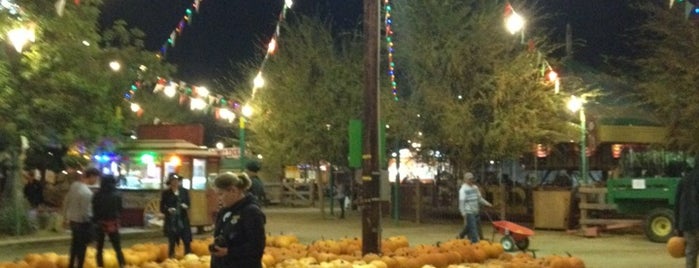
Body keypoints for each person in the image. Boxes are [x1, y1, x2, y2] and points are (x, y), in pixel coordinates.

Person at [210, 172, 266, 268]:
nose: (219, 198)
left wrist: (229, 252)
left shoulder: (251, 212)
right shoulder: (223, 212)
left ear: (233, 190)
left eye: (221, 194)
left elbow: (256, 246)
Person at [64, 167, 100, 268]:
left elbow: (67, 201)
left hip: (73, 220)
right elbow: (86, 213)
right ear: (92, 176)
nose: (96, 181)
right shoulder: (87, 193)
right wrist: (92, 223)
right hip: (82, 223)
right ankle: (79, 265)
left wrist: (65, 217)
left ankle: (71, 264)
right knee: (82, 248)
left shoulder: (74, 186)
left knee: (74, 245)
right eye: (96, 178)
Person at [92, 175, 126, 268]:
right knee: (117, 248)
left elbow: (94, 210)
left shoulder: (97, 195)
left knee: (99, 249)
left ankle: (100, 265)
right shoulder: (117, 195)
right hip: (113, 223)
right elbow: (120, 209)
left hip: (100, 223)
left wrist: (95, 221)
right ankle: (122, 265)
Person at [160, 173, 192, 259]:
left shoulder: (184, 191)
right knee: (172, 241)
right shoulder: (166, 193)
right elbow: (162, 208)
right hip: (171, 221)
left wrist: (186, 206)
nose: (175, 182)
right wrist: (168, 210)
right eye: (173, 181)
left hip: (183, 220)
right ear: (170, 182)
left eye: (177, 180)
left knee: (187, 240)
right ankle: (171, 259)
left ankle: (188, 258)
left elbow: (188, 204)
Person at [674, 159, 699, 268]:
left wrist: (677, 225)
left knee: (691, 252)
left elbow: (677, 203)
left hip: (687, 223)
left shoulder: (684, 180)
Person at [458, 172, 492, 243]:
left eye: (472, 179)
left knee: (474, 226)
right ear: (465, 180)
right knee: (473, 227)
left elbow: (479, 198)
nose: (471, 181)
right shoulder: (463, 190)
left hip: (476, 210)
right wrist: (463, 213)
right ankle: (475, 241)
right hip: (469, 211)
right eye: (469, 179)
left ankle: (460, 236)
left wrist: (487, 203)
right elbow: (462, 202)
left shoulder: (475, 188)